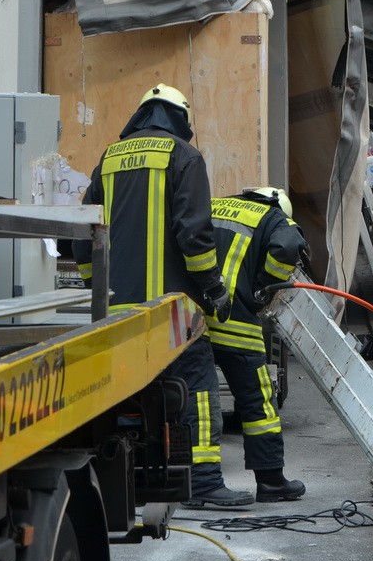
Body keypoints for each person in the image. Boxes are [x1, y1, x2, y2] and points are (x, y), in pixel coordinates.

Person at [73, 82, 253, 507]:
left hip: (117, 310)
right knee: (199, 387)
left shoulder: (109, 160)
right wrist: (213, 290)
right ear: (180, 120)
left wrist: (93, 288)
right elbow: (194, 235)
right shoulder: (184, 157)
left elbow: (82, 236)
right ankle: (205, 483)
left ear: (141, 115)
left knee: (126, 393)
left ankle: (122, 483)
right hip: (170, 310)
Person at [208, 187, 307, 502]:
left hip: (194, 321)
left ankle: (198, 480)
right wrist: (264, 285)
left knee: (196, 400)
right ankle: (271, 482)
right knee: (258, 402)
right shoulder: (272, 216)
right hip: (236, 322)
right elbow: (289, 246)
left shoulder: (215, 205)